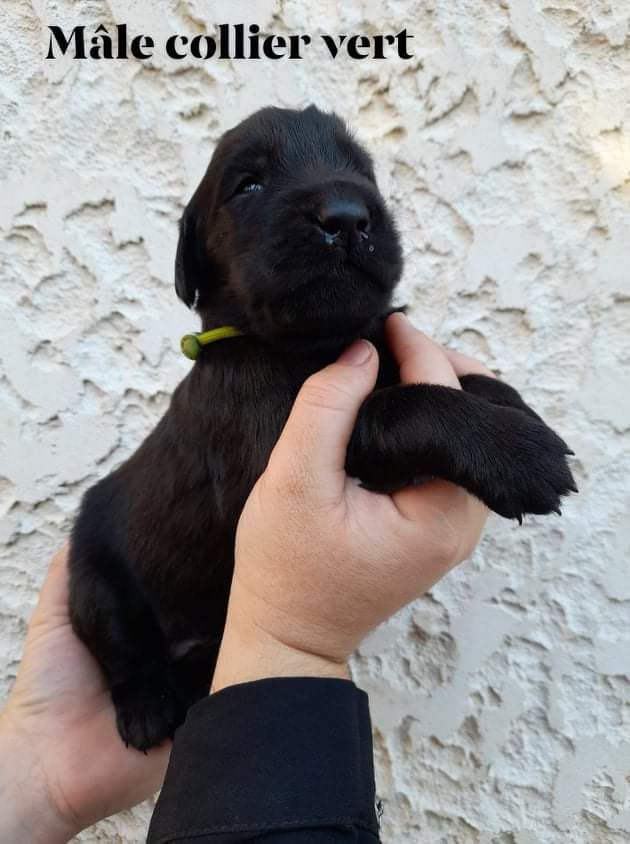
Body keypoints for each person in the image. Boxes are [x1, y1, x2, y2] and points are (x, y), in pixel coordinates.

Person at [0, 313, 491, 842]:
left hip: (207, 625)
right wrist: (293, 643)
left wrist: (39, 773)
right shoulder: (233, 379)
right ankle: (138, 681)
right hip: (141, 594)